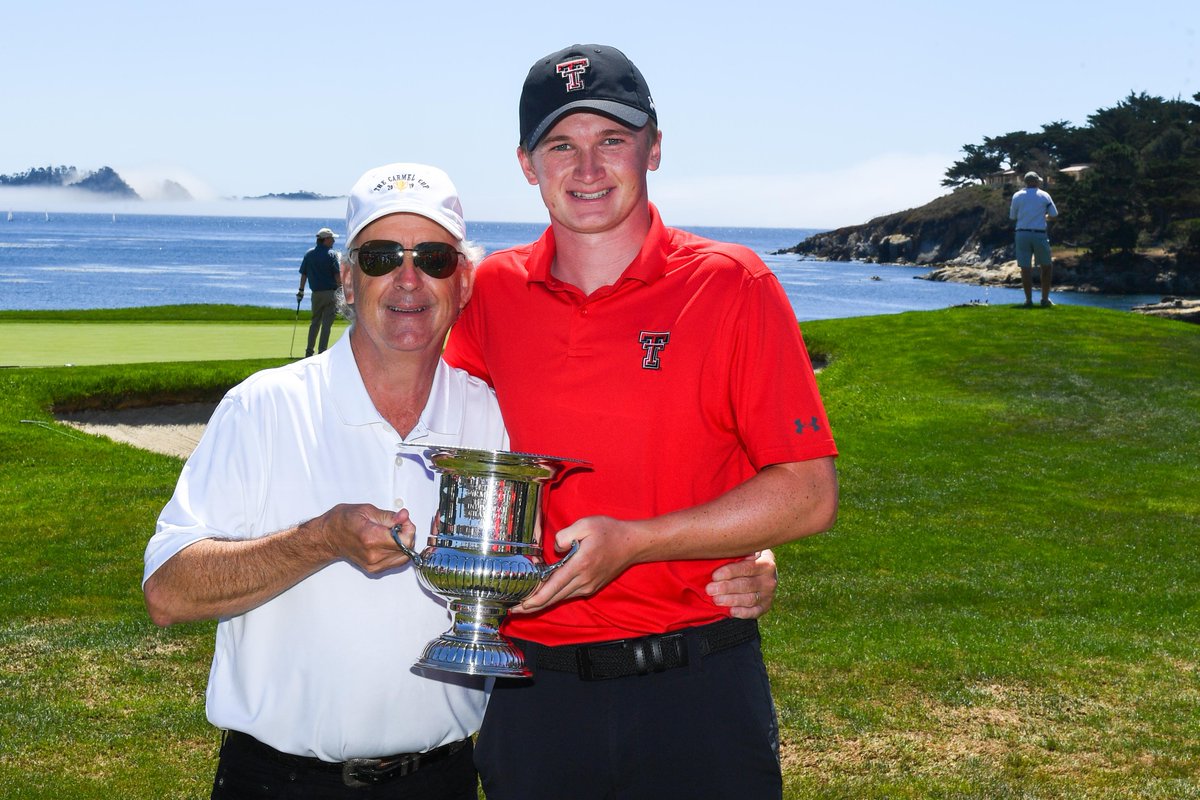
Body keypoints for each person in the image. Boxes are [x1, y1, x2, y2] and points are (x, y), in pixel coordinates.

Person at [143, 162, 779, 799]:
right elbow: (168, 593)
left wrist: (732, 554)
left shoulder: (494, 418)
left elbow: (600, 518)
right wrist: (319, 540)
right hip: (278, 781)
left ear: (465, 280)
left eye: (435, 258)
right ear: (347, 277)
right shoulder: (266, 408)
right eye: (381, 256)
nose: (408, 280)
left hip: (442, 779)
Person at [442, 44, 840, 800]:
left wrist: (641, 543)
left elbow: (807, 492)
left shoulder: (730, 284)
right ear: (527, 163)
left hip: (694, 687)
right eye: (562, 144)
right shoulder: (492, 291)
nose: (587, 168)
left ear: (654, 147)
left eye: (611, 140)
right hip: (535, 693)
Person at [1009, 171, 1059, 307]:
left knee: (1025, 268)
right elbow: (1054, 214)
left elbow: (1012, 216)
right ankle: (1044, 299)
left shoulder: (1017, 196)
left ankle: (1028, 300)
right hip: (1039, 234)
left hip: (1021, 234)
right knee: (1046, 266)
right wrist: (1044, 217)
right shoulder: (1044, 195)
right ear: (1037, 181)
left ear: (1025, 182)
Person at [297, 226, 342, 355]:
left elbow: (304, 274)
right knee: (327, 324)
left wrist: (301, 290)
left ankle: (309, 351)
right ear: (326, 240)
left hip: (316, 294)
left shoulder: (309, 254)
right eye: (332, 239)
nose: (333, 241)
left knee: (315, 322)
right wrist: (342, 290)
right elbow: (337, 275)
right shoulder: (332, 254)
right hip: (331, 293)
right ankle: (322, 352)